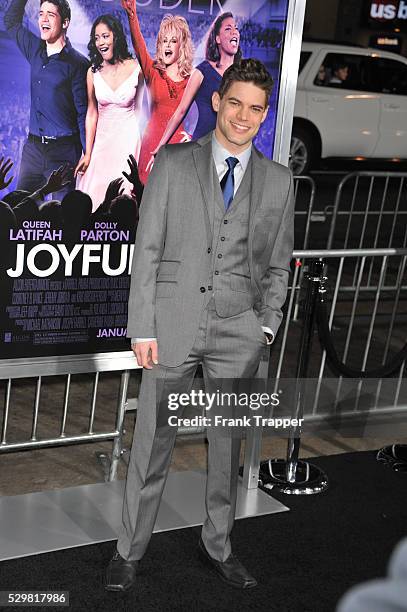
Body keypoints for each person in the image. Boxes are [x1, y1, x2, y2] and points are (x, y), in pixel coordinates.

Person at [105, 58, 294, 592]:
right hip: (172, 325)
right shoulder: (172, 162)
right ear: (216, 102)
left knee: (226, 449)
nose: (243, 116)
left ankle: (220, 544)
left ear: (264, 115)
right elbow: (148, 251)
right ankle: (128, 550)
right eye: (234, 103)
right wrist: (143, 326)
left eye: (256, 108)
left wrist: (266, 327)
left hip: (239, 333)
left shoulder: (279, 183)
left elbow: (280, 264)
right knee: (152, 443)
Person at [4, 0, 88, 199]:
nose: (43, 18)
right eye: (41, 13)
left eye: (51, 14)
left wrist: (86, 153)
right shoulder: (34, 48)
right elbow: (11, 21)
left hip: (64, 153)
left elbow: (82, 112)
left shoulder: (78, 64)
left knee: (62, 217)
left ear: (65, 22)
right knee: (21, 210)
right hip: (33, 151)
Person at [149, 11, 242, 167]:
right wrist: (161, 146)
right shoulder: (202, 71)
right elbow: (181, 110)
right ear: (217, 39)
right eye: (228, 28)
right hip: (202, 150)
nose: (234, 31)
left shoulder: (243, 75)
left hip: (230, 151)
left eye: (236, 28)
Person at [75, 15, 143, 212]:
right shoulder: (92, 72)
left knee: (124, 197)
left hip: (128, 141)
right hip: (101, 143)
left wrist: (141, 147)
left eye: (105, 36)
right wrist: (88, 153)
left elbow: (140, 110)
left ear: (116, 37)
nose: (101, 42)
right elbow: (91, 112)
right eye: (97, 38)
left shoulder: (136, 69)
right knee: (94, 196)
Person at [121, 0, 194, 184]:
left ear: (182, 45)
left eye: (173, 41)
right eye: (164, 40)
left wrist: (190, 137)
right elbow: (139, 46)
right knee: (145, 197)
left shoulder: (191, 79)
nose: (168, 45)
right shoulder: (153, 71)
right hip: (152, 144)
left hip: (178, 149)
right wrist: (132, 15)